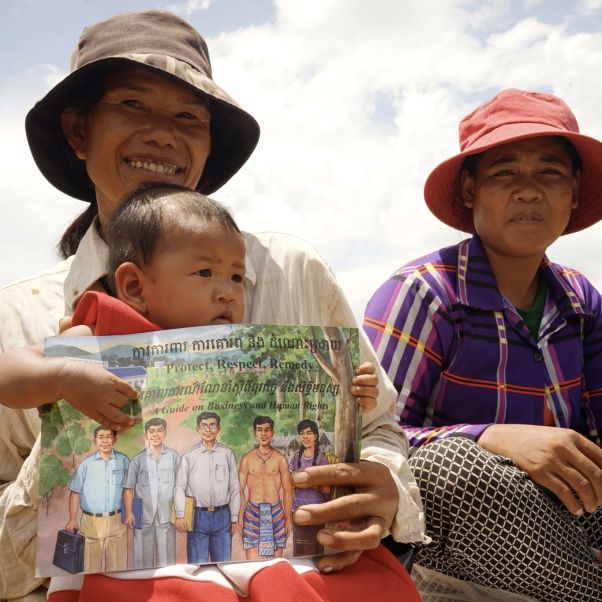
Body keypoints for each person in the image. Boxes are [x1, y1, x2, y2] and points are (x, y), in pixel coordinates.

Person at [0, 9, 424, 602]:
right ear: (77, 131)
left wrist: (382, 487)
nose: (162, 133)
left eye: (188, 117)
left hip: (292, 563)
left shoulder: (294, 271)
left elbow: (379, 427)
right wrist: (66, 428)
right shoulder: (23, 315)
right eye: (132, 105)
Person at [365, 88, 602, 601]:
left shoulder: (580, 300)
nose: (528, 191)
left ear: (574, 191)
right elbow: (373, 439)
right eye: (505, 173)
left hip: (567, 512)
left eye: (550, 173)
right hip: (463, 533)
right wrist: (491, 436)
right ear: (471, 190)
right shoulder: (426, 293)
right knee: (453, 467)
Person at [175, 412, 240, 563]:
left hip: (222, 516)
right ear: (198, 429)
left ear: (218, 428)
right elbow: (179, 487)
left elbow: (234, 487)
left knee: (224, 565)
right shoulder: (189, 457)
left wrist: (234, 517)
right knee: (197, 566)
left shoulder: (227, 454)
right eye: (204, 426)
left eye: (212, 426)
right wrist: (179, 515)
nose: (208, 430)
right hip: (198, 517)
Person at [65, 426, 129, 573]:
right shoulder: (86, 465)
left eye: (109, 436)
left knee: (118, 569)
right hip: (90, 522)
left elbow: (130, 490)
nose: (105, 440)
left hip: (117, 519)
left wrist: (131, 513)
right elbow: (75, 492)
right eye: (101, 437)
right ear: (95, 441)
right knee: (90, 568)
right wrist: (72, 518)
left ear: (115, 440)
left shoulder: (124, 461)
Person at [123, 417, 181, 569]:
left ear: (165, 433)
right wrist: (129, 513)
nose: (156, 435)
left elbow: (180, 486)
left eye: (160, 430)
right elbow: (128, 489)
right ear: (146, 435)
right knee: (142, 563)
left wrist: (180, 513)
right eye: (152, 431)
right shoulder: (137, 460)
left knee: (167, 564)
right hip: (142, 516)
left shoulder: (174, 457)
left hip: (167, 516)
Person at [239, 416, 293, 559]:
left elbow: (288, 491)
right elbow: (239, 491)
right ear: (254, 433)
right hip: (252, 513)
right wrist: (240, 517)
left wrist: (288, 518)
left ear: (272, 433)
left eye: (267, 430)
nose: (263, 434)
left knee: (276, 563)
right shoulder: (247, 459)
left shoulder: (280, 459)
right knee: (251, 563)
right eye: (259, 430)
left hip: (275, 512)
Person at [289, 419, 331, 555]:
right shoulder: (296, 458)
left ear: (316, 436)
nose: (305, 437)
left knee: (314, 549)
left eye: (309, 433)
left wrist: (310, 482)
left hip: (316, 511)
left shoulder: (322, 459)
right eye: (302, 433)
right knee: (299, 548)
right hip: (298, 510)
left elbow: (327, 489)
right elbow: (290, 483)